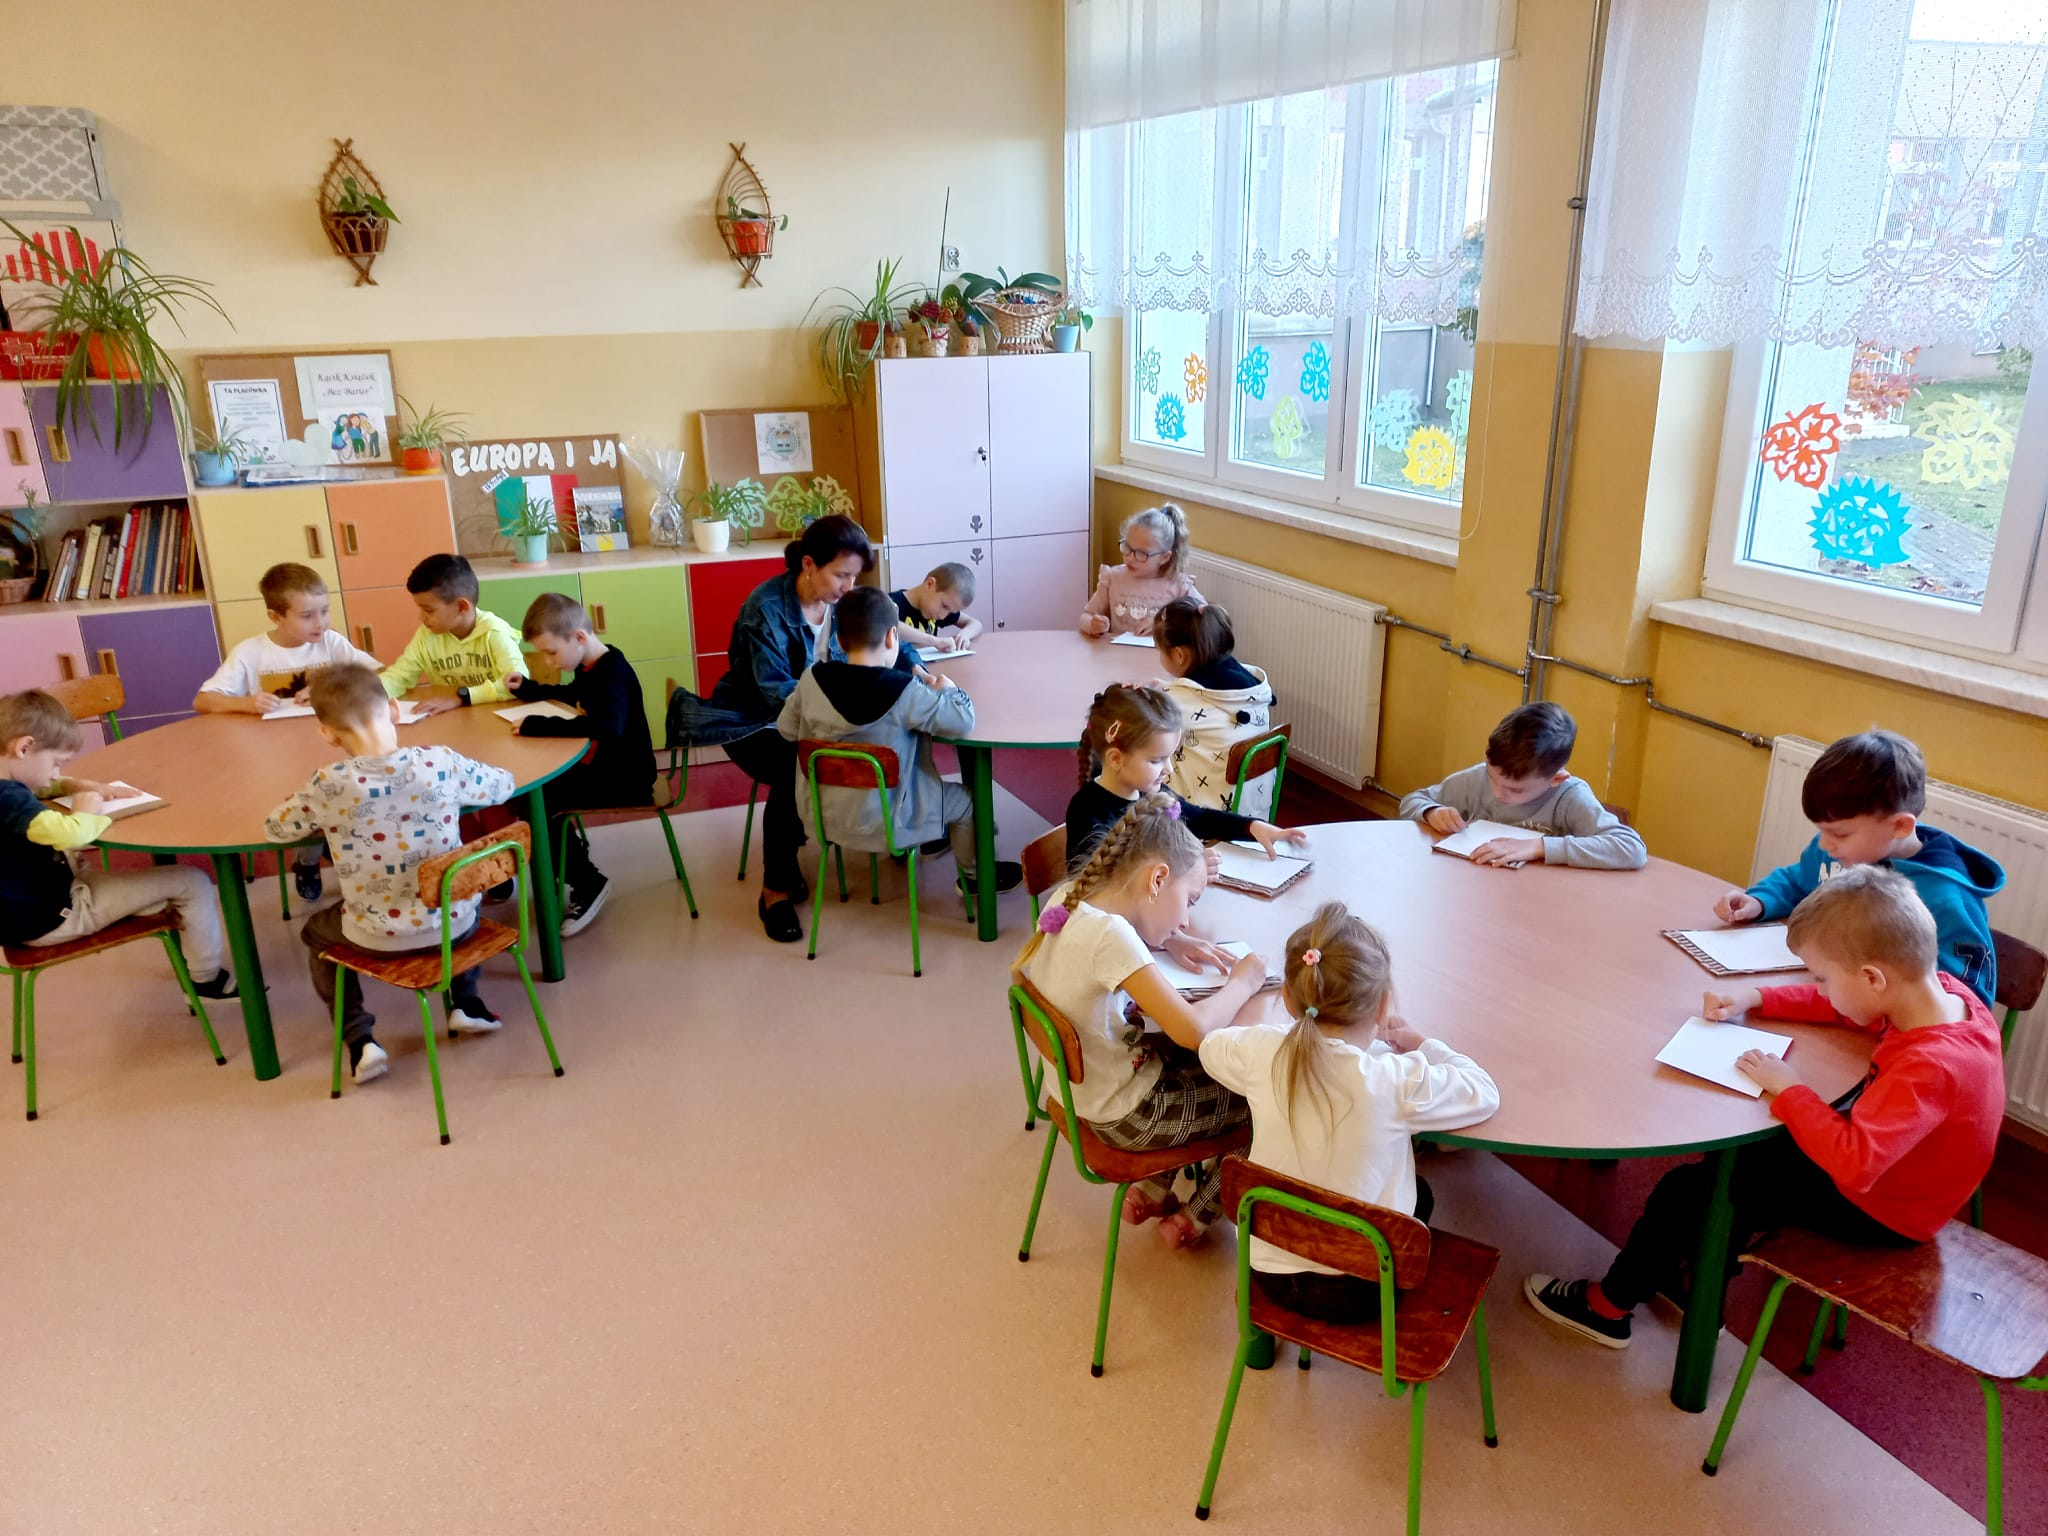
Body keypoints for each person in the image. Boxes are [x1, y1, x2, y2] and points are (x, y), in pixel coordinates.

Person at [1524, 866, 2005, 1350]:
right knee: (1732, 1169)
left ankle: (1606, 1308)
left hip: (1884, 1207)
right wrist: (1754, 998)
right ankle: (1699, 1283)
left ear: (1872, 978)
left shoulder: (1930, 1066)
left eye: (1822, 977)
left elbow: (1855, 1164)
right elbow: (1842, 1007)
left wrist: (1790, 1088)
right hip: (1891, 1174)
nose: (1820, 988)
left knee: (1689, 1190)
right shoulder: (1941, 995)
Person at [1198, 901, 1499, 1322]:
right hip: (1363, 1293)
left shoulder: (1260, 1052)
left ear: (1288, 999)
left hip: (1267, 1274)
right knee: (1422, 1194)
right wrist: (1421, 1043)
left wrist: (1281, 1033)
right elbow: (1483, 1090)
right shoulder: (1395, 1079)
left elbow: (1211, 1047)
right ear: (1383, 1006)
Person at [1018, 793, 1267, 1247]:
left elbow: (1114, 950)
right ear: (1157, 879)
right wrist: (1243, 983)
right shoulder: (1112, 938)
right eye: (1189, 900)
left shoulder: (1070, 900)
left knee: (1208, 1067)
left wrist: (1170, 939)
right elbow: (1193, 1031)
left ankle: (1152, 1190)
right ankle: (1194, 1218)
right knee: (1262, 1099)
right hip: (1127, 1115)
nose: (1186, 918)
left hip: (1081, 1095)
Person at [668, 516, 919, 943]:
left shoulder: (844, 602)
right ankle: (775, 890)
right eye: (841, 574)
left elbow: (887, 633)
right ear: (808, 564)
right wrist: (844, 709)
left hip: (820, 714)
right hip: (751, 721)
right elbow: (775, 693)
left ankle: (898, 835)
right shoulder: (765, 610)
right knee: (796, 765)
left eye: (855, 576)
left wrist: (918, 669)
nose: (849, 586)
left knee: (887, 738)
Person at [264, 664, 517, 1087]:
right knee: (454, 887)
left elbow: (276, 828)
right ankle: (466, 1002)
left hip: (376, 936)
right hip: (454, 926)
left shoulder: (328, 784)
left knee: (315, 934)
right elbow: (503, 785)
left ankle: (359, 1039)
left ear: (326, 734)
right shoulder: (439, 762)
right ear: (395, 709)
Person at [1711, 729, 2002, 1005]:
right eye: (1822, 830)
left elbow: (1970, 995)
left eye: (1840, 834)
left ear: (1899, 826)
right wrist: (1759, 901)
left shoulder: (1945, 898)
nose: (1825, 844)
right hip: (1824, 996)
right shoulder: (1837, 853)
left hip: (1887, 1025)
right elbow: (1798, 880)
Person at [777, 587, 1021, 894]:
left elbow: (786, 729)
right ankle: (976, 877)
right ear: (893, 637)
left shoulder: (811, 679)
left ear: (839, 640)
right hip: (893, 820)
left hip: (823, 816)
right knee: (967, 801)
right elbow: (961, 721)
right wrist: (948, 689)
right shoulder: (905, 690)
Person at [0, 689, 238, 999]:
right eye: (56, 763)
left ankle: (159, 911)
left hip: (26, 907)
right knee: (193, 882)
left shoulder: (8, 784)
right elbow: (72, 835)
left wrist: (79, 785)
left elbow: (39, 786)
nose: (56, 774)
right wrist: (87, 807)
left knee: (162, 890)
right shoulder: (9, 800)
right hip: (54, 916)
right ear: (24, 747)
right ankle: (206, 981)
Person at [194, 561, 379, 902]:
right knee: (307, 805)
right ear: (275, 617)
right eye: (307, 615)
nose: (320, 622)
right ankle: (307, 861)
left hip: (331, 748)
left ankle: (345, 860)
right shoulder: (251, 652)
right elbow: (203, 700)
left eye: (324, 611)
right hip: (276, 759)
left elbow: (376, 676)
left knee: (348, 799)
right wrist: (246, 703)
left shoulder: (331, 643)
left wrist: (327, 686)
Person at [501, 592, 656, 937]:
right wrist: (529, 689)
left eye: (551, 652)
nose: (549, 661)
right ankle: (567, 858)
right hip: (607, 766)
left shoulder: (613, 672)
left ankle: (587, 882)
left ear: (579, 637)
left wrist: (539, 725)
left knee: (538, 800)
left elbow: (608, 725)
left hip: (627, 778)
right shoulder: (593, 665)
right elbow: (574, 695)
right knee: (533, 795)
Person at [1066, 684, 1304, 868]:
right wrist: (1184, 868)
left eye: (1170, 757)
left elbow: (1199, 819)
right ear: (1116, 759)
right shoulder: (1087, 810)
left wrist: (1253, 827)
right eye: (1156, 760)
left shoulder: (1152, 793)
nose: (1169, 769)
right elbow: (1102, 883)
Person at [1399, 701, 1647, 870]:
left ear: (1556, 779)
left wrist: (1539, 847)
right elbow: (1412, 800)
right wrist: (1432, 812)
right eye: (1493, 778)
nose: (1498, 793)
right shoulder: (1477, 778)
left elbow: (1631, 848)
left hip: (1540, 902)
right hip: (1478, 891)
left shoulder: (1570, 797)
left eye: (1515, 790)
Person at [1152, 597, 1279, 813]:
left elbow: (1146, 730)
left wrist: (1159, 697)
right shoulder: (1251, 687)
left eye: (1159, 650)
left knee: (1142, 758)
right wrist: (1167, 690)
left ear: (1178, 655)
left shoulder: (1178, 702)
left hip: (1204, 817)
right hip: (1254, 813)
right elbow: (1201, 703)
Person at [378, 554, 524, 717]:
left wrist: (460, 698)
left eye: (429, 610)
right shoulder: (426, 636)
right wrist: (368, 695)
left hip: (493, 718)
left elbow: (518, 683)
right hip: (450, 719)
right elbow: (398, 677)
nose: (421, 617)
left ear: (461, 607)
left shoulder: (495, 633)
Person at [1079, 503, 1204, 638]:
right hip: (1117, 651)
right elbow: (1085, 616)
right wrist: (1092, 624)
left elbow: (1205, 617)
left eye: (1141, 553)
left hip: (1159, 652)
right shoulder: (1112, 578)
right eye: (1127, 547)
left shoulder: (1179, 586)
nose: (1130, 558)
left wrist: (1163, 624)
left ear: (1164, 557)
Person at [891, 561, 982, 653]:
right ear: (930, 584)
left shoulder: (939, 610)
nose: (943, 616)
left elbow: (976, 624)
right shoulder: (890, 603)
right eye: (944, 606)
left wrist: (964, 635)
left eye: (950, 612)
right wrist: (934, 641)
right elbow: (890, 625)